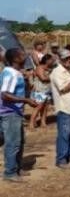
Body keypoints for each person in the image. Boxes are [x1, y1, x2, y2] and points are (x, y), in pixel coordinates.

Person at [0, 48, 39, 182]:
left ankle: (16, 168)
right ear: (15, 58)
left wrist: (27, 83)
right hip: (10, 113)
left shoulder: (16, 73)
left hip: (16, 112)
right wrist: (26, 100)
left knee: (20, 142)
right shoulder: (10, 74)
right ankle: (9, 173)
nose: (25, 56)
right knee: (12, 143)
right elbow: (5, 94)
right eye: (22, 55)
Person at [51, 49, 70, 168]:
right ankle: (61, 159)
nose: (68, 60)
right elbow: (63, 88)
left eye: (69, 58)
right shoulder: (57, 72)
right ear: (60, 59)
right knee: (64, 134)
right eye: (65, 58)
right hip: (64, 108)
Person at [29, 53, 55, 130]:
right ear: (47, 60)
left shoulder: (49, 69)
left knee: (45, 107)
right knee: (38, 107)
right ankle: (31, 124)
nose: (52, 61)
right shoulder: (40, 68)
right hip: (39, 91)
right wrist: (53, 77)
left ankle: (43, 122)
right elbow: (43, 78)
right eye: (51, 60)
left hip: (47, 90)